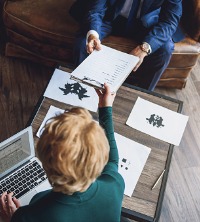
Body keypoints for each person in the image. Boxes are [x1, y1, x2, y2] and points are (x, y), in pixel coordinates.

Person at [0, 83, 126, 222]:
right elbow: (113, 160)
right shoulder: (114, 185)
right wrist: (105, 108)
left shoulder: (30, 214)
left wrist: (11, 218)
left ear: (45, 167)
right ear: (100, 159)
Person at [70, 0, 183, 91]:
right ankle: (82, 90)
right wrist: (93, 34)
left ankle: (143, 94)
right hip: (110, 15)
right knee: (83, 42)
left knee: (166, 49)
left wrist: (146, 47)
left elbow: (169, 22)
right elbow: (96, 9)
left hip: (146, 22)